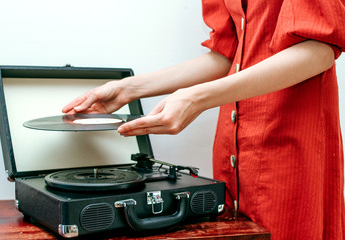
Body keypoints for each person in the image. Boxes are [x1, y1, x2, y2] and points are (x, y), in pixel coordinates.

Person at [63, 0, 345, 239]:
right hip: (232, 148)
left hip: (292, 143)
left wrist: (197, 99)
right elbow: (227, 55)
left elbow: (318, 49)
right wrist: (128, 89)